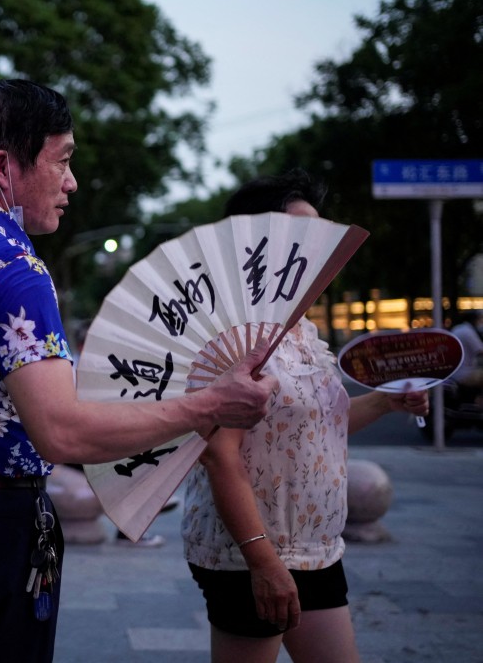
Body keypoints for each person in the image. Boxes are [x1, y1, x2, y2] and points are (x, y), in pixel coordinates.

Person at [0, 79, 279, 662]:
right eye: (63, 160)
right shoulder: (11, 263)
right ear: (4, 166)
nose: (71, 182)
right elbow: (62, 432)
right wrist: (207, 407)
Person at [179, 169, 430, 663]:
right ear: (255, 242)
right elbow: (218, 456)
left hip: (317, 550)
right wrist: (263, 561)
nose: (316, 245)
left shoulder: (301, 332)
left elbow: (316, 429)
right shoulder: (233, 334)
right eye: (301, 232)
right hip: (249, 554)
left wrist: (385, 402)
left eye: (320, 230)